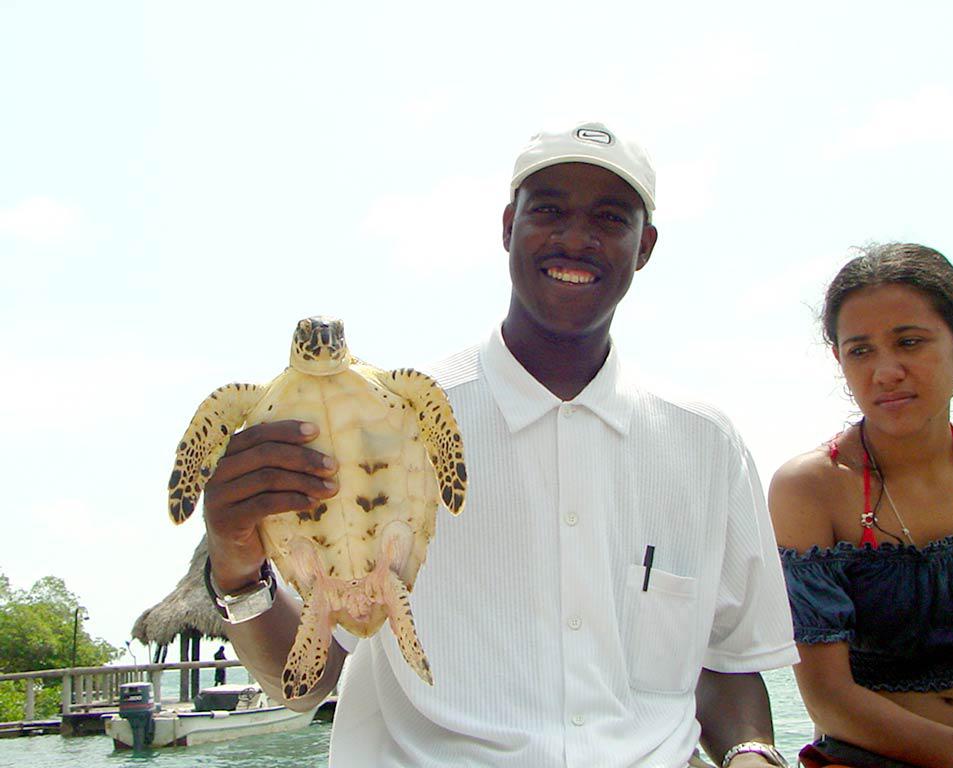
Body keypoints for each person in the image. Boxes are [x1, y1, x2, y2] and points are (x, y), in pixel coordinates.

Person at [200, 121, 798, 767]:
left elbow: (729, 664)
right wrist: (235, 563)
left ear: (645, 245)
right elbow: (305, 681)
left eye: (609, 217)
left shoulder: (706, 443)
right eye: (549, 211)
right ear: (509, 226)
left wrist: (752, 754)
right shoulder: (393, 421)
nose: (576, 238)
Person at [768, 243, 953, 768]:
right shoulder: (811, 488)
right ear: (839, 361)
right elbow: (828, 699)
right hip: (867, 759)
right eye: (860, 351)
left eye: (909, 342)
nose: (886, 372)